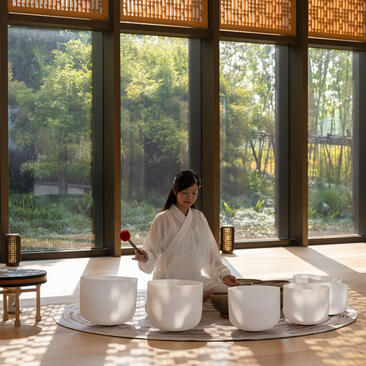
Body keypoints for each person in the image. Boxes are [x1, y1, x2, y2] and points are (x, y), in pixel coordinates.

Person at [133, 169, 239, 301]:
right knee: (175, 299)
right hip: (169, 282)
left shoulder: (199, 217)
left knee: (231, 293)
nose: (190, 197)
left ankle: (197, 296)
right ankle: (197, 296)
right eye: (185, 193)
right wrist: (145, 257)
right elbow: (151, 251)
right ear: (174, 191)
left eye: (194, 193)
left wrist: (224, 275)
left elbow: (211, 254)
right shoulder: (162, 219)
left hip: (194, 279)